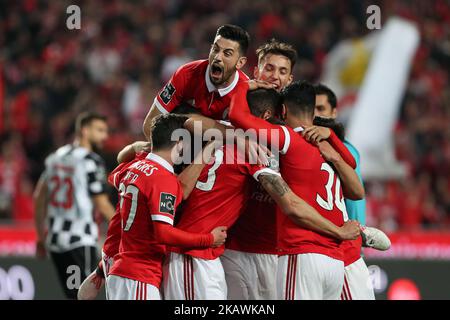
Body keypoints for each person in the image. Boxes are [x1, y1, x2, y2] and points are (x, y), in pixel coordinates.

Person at [163, 88, 360, 300]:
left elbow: (180, 121)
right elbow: (291, 203)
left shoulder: (219, 132)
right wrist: (339, 231)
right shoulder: (255, 149)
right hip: (194, 254)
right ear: (272, 115)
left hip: (206, 253)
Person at [229, 81, 365, 300]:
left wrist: (241, 85)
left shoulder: (289, 137)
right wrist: (330, 135)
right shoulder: (331, 146)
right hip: (335, 262)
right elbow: (353, 172)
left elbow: (237, 116)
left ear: (282, 111)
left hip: (303, 252)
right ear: (313, 111)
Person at [105, 114, 227, 300]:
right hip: (139, 275)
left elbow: (115, 174)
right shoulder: (163, 179)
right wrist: (208, 239)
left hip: (122, 270)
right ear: (179, 142)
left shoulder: (132, 167)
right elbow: (164, 233)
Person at [222, 39, 298, 300]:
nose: (274, 77)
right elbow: (191, 124)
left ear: (290, 78)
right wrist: (233, 136)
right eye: (269, 68)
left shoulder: (296, 119)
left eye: (282, 71)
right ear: (255, 72)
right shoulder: (230, 104)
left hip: (277, 250)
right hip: (231, 245)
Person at [33, 112, 115, 299]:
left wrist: (40, 237)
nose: (105, 136)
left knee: (72, 294)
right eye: (100, 130)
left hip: (55, 242)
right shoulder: (90, 160)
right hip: (79, 240)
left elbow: (39, 197)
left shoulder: (56, 157)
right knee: (82, 295)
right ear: (85, 131)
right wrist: (125, 228)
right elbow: (101, 203)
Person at [313, 83, 376, 300]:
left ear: (334, 113)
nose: (316, 114)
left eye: (321, 109)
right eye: (312, 108)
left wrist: (357, 241)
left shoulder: (346, 151)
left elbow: (356, 199)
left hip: (344, 247)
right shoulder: (302, 145)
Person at [142, 24, 251, 140]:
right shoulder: (186, 74)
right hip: (178, 147)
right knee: (132, 150)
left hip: (219, 152)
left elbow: (248, 139)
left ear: (240, 62)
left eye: (227, 54)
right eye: (215, 49)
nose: (218, 57)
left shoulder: (247, 93)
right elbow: (150, 124)